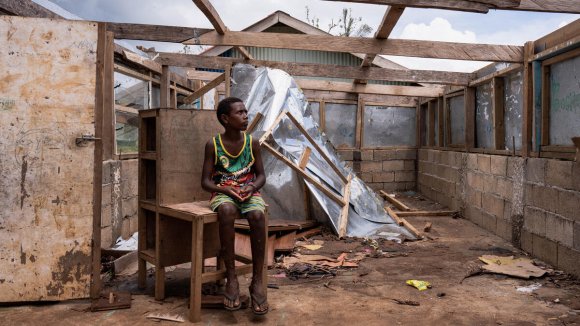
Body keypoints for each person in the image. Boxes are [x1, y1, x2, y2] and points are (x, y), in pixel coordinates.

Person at [201, 97, 269, 315]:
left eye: (246, 112)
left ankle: (257, 280)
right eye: (239, 113)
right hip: (224, 193)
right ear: (225, 119)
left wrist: (251, 188)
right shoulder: (213, 144)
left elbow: (261, 176)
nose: (245, 116)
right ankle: (231, 277)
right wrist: (225, 190)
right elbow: (206, 182)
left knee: (258, 215)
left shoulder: (253, 143)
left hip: (248, 192)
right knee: (227, 210)